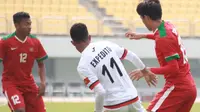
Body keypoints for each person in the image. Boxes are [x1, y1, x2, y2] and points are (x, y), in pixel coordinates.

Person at [125, 0, 197, 112]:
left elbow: (173, 68)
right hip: (189, 87)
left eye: (142, 18)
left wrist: (147, 70)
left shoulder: (163, 38)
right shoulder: (167, 25)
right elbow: (162, 37)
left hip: (178, 88)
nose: (142, 22)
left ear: (146, 18)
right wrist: (144, 35)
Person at [70, 23, 157, 112]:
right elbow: (132, 56)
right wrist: (144, 70)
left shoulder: (82, 66)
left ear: (73, 43)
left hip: (114, 105)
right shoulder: (106, 44)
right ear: (89, 37)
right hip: (133, 98)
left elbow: (100, 92)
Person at [0, 12, 48, 112]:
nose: (29, 27)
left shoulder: (35, 42)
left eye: (30, 24)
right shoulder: (5, 42)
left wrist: (43, 83)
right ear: (16, 25)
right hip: (11, 84)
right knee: (20, 110)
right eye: (26, 24)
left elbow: (41, 64)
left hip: (29, 84)